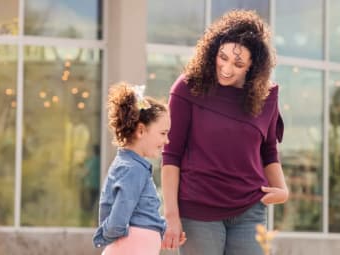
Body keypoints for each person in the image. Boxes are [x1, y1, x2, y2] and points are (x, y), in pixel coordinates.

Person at [161, 10, 289, 255]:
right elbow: (171, 155)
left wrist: (282, 190)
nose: (227, 68)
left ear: (253, 66)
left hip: (250, 211)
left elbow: (269, 150)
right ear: (213, 52)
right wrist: (171, 216)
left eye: (238, 63)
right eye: (223, 57)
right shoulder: (188, 88)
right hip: (198, 211)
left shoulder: (266, 97)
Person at [92, 83, 184, 255]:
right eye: (163, 133)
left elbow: (140, 214)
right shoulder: (132, 169)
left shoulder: (134, 167)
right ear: (141, 131)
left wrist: (160, 230)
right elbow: (118, 220)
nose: (167, 141)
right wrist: (103, 236)